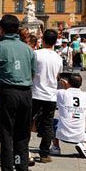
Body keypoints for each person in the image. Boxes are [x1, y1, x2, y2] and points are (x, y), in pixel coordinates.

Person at [0, 15, 36, 171]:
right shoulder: (28, 49)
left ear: (2, 30)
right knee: (22, 136)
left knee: (6, 136)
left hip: (7, 93)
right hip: (26, 94)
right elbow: (32, 73)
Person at [31, 29, 63, 163]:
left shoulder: (36, 54)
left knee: (27, 121)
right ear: (55, 42)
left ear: (42, 39)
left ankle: (23, 149)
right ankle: (44, 153)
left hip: (35, 93)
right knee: (48, 124)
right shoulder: (58, 58)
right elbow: (57, 76)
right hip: (50, 96)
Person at [51, 74, 86, 158]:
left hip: (61, 134)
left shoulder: (61, 93)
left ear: (68, 83)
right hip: (80, 136)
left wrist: (66, 87)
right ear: (81, 84)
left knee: (51, 120)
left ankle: (55, 146)